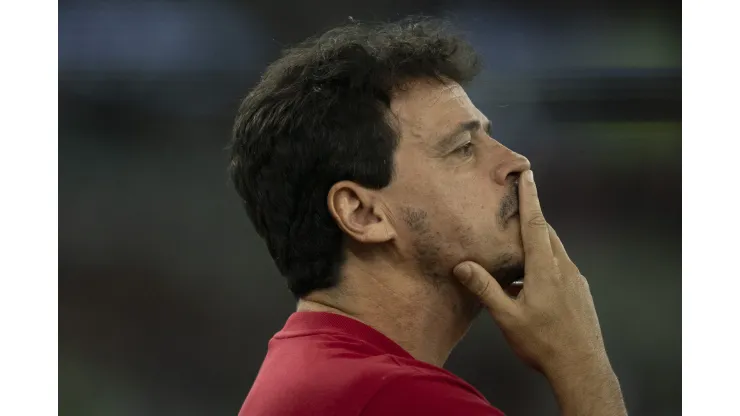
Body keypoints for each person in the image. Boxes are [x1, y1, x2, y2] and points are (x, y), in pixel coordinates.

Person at [229, 17, 627, 416]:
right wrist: (580, 362)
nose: (515, 162)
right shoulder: (399, 398)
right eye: (463, 148)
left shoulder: (318, 376)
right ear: (363, 213)